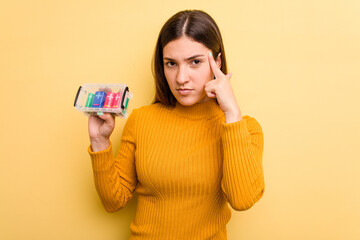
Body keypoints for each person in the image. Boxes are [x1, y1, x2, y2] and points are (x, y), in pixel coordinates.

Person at [87, 9, 265, 240]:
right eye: (171, 63)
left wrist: (231, 112)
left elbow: (242, 199)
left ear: (217, 62)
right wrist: (99, 141)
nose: (181, 78)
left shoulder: (245, 128)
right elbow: (113, 201)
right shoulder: (142, 120)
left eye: (195, 62)